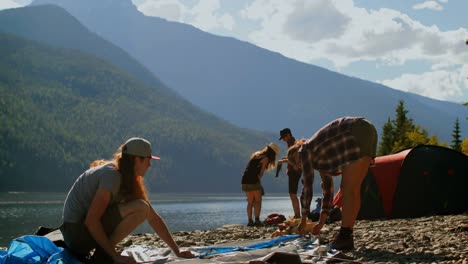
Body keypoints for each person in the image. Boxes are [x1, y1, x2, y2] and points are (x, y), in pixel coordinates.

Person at [60, 137, 194, 263]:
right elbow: (91, 220)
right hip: (76, 236)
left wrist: (177, 251)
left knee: (142, 207)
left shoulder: (126, 176)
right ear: (137, 160)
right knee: (141, 207)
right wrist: (114, 255)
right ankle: (103, 255)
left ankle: (103, 253)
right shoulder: (112, 176)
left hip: (80, 233)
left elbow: (153, 218)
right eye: (148, 159)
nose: (150, 165)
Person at [287, 117, 377, 250]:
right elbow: (328, 191)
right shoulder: (321, 155)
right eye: (297, 164)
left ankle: (345, 236)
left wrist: (303, 219)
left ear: (297, 150)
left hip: (355, 131)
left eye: (297, 160)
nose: (300, 163)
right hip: (367, 131)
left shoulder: (305, 150)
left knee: (348, 189)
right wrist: (321, 223)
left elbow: (307, 186)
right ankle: (346, 236)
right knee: (352, 189)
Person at [241, 143, 280, 226]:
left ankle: (250, 221)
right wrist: (260, 185)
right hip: (253, 180)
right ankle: (257, 220)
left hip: (245, 179)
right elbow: (260, 173)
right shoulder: (266, 158)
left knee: (250, 202)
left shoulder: (256, 154)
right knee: (258, 201)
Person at [277, 128, 302, 219]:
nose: (283, 139)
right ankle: (297, 214)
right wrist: (285, 159)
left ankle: (297, 215)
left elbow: (295, 161)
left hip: (294, 171)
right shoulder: (292, 142)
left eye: (283, 137)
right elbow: (292, 158)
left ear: (288, 135)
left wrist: (283, 161)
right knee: (292, 194)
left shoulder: (293, 144)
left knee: (293, 194)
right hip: (295, 171)